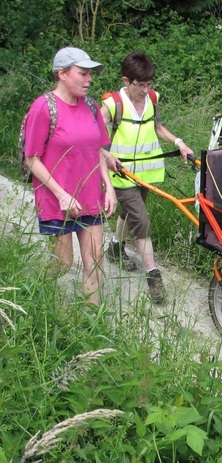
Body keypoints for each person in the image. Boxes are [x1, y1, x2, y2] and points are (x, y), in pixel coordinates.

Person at [23, 46, 117, 306]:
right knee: (63, 264)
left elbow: (98, 147)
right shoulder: (43, 108)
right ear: (62, 74)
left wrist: (108, 187)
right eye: (83, 73)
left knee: (95, 264)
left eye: (91, 74)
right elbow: (32, 158)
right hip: (57, 199)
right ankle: (28, 298)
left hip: (89, 196)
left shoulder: (90, 105)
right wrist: (61, 194)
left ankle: (89, 327)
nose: (89, 79)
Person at [100, 51, 194, 303]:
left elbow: (157, 127)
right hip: (122, 174)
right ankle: (153, 275)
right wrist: (105, 156)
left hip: (146, 172)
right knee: (141, 220)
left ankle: (115, 248)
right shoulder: (113, 105)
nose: (145, 89)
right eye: (140, 85)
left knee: (129, 212)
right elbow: (91, 134)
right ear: (126, 80)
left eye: (149, 84)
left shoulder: (151, 98)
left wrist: (179, 142)